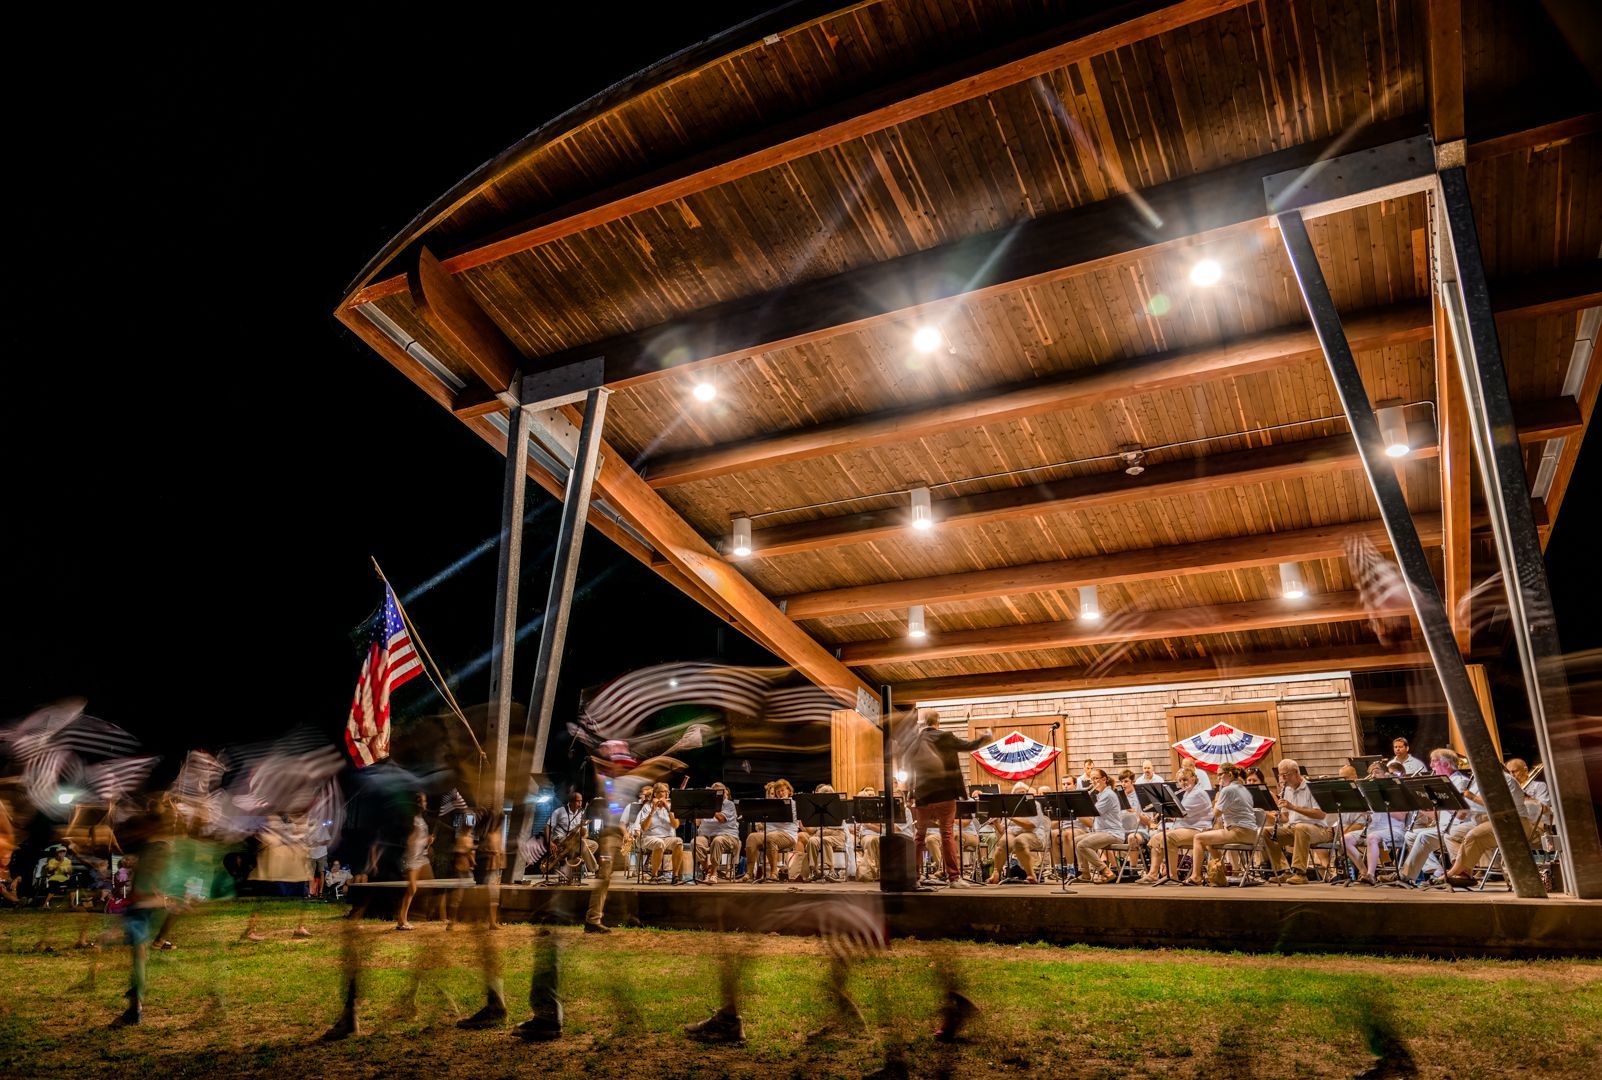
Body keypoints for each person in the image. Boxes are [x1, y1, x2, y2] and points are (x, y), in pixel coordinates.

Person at [907, 710, 991, 888]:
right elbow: (968, 746)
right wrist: (985, 737)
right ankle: (953, 878)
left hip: (923, 794)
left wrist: (909, 792)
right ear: (938, 722)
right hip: (944, 792)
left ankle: (914, 877)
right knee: (946, 834)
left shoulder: (915, 741)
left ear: (923, 723)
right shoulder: (945, 736)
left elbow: (908, 766)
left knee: (919, 836)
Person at [1441, 760, 1540, 888]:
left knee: (1474, 836)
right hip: (1488, 820)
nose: (1473, 772)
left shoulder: (1506, 780)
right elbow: (1472, 808)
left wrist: (1471, 797)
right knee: (1451, 834)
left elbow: (1500, 806)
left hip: (1512, 822)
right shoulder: (1479, 782)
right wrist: (1459, 805)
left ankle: (1453, 872)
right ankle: (1465, 873)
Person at [1263, 759, 1333, 885]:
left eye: (1285, 775)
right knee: (1266, 832)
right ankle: (1284, 870)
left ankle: (1300, 873)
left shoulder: (1311, 788)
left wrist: (1293, 807)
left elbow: (1321, 814)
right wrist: (1274, 815)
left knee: (1301, 828)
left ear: (1296, 773)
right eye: (1280, 775)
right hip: (1295, 828)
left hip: (1319, 829)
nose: (1283, 779)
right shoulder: (1287, 790)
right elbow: (1285, 818)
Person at [1186, 764, 1258, 886]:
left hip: (1240, 831)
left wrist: (1218, 799)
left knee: (1198, 838)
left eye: (1220, 774)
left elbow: (1216, 813)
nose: (1218, 777)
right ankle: (1221, 874)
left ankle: (1196, 876)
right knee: (1208, 842)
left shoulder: (1228, 790)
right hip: (1251, 832)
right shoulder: (1242, 788)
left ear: (1229, 774)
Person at [1139, 767, 1212, 882]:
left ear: (1193, 779)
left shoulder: (1198, 793)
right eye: (1180, 781)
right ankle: (1153, 874)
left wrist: (1168, 804)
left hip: (1198, 830)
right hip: (1185, 828)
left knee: (1168, 838)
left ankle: (1172, 875)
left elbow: (1181, 813)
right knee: (1156, 838)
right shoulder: (1188, 793)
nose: (1183, 783)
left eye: (1185, 779)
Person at [1073, 770, 1126, 884]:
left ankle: (1106, 871)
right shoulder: (1101, 794)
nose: (1093, 782)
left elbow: (1093, 811)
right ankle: (1085, 873)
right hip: (1102, 832)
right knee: (1076, 840)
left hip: (1113, 833)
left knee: (1083, 845)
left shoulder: (1108, 794)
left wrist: (1082, 799)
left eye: (1096, 778)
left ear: (1104, 779)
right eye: (1092, 779)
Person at [986, 782, 1043, 885]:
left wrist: (1010, 816)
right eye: (1018, 793)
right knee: (1002, 842)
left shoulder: (1035, 805)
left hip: (1032, 833)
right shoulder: (1010, 807)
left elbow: (1030, 825)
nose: (1022, 795)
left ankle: (1031, 875)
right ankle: (996, 873)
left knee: (1019, 841)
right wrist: (996, 822)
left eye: (1024, 792)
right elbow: (1003, 831)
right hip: (1013, 833)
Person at [742, 779, 798, 882]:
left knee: (770, 838)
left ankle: (774, 873)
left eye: (782, 791)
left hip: (787, 834)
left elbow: (788, 820)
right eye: (778, 792)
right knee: (752, 837)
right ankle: (749, 873)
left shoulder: (793, 804)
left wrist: (783, 805)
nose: (780, 793)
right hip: (769, 834)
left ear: (789, 791)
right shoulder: (772, 804)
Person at [634, 783, 684, 884]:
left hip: (667, 837)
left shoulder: (670, 806)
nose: (667, 793)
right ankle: (654, 876)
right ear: (656, 794)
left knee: (678, 841)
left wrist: (668, 809)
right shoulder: (647, 807)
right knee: (659, 843)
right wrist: (653, 811)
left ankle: (675, 876)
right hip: (649, 837)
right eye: (663, 791)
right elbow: (644, 827)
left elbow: (675, 825)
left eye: (667, 791)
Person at [797, 784, 847, 882]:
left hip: (837, 835)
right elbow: (813, 830)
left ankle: (832, 871)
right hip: (822, 835)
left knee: (824, 840)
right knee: (811, 840)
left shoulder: (839, 807)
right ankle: (815, 871)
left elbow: (838, 826)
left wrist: (821, 831)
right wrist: (804, 821)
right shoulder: (818, 809)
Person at [395, 794, 430, 930]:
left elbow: (419, 837)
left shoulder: (421, 819)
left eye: (425, 801)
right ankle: (401, 919)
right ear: (418, 803)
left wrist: (427, 840)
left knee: (413, 888)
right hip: (412, 857)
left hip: (420, 857)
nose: (425, 803)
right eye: (423, 801)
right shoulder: (413, 819)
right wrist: (422, 840)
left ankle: (402, 919)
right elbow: (410, 839)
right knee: (412, 888)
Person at [546, 791, 599, 883]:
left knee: (594, 844)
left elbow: (585, 833)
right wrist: (549, 842)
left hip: (574, 842)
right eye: (578, 801)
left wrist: (583, 834)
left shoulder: (581, 814)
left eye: (581, 801)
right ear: (570, 802)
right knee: (582, 845)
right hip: (561, 842)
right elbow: (547, 827)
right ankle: (596, 869)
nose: (580, 804)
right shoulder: (559, 812)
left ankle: (573, 859)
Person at [693, 782, 739, 882]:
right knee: (695, 842)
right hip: (706, 836)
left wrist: (710, 808)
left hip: (727, 836)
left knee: (717, 841)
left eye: (719, 792)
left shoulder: (729, 804)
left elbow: (721, 819)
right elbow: (697, 823)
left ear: (723, 793)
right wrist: (697, 809)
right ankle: (708, 869)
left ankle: (714, 872)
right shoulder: (705, 804)